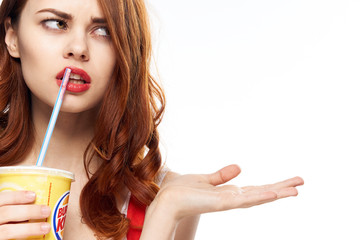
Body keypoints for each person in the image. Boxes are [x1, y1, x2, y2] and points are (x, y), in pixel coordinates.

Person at [0, 0, 304, 239]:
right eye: (55, 23)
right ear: (12, 37)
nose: (78, 48)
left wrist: (165, 214)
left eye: (103, 30)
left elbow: (165, 207)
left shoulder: (161, 194)